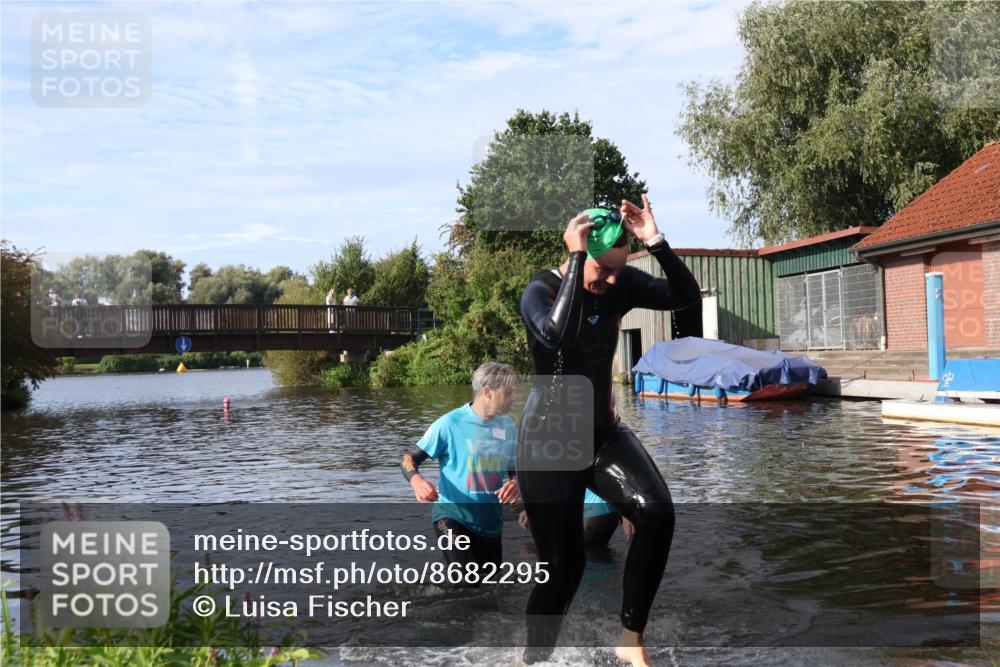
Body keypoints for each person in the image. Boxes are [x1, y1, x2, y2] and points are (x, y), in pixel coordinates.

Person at [517, 195, 701, 666]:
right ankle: (532, 660)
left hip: (602, 433)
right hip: (548, 443)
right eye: (606, 270)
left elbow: (685, 298)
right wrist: (578, 261)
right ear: (580, 254)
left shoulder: (618, 281)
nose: (616, 280)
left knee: (656, 512)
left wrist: (655, 243)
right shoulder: (539, 291)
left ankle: (630, 639)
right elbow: (555, 336)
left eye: (621, 269)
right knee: (564, 571)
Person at [400, 362, 520, 574]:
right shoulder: (450, 423)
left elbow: (515, 465)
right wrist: (417, 481)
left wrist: (515, 482)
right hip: (452, 517)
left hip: (491, 524)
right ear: (488, 392)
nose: (514, 398)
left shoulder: (508, 425)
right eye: (508, 393)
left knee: (489, 589)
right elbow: (408, 459)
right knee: (468, 580)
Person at [518, 488, 635, 548]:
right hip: (570, 497)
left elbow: (619, 466)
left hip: (598, 503)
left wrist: (625, 511)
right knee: (533, 550)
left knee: (586, 555)